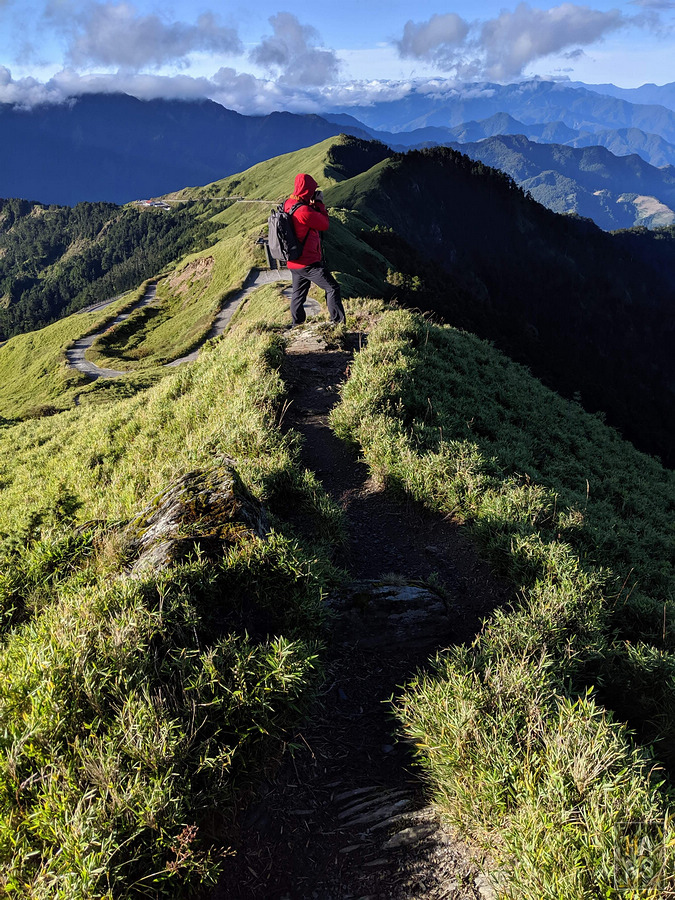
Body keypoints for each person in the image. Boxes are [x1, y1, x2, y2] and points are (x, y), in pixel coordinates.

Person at [284, 173, 346, 327]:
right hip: (308, 263)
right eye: (313, 189)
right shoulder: (304, 211)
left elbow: (303, 220)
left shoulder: (288, 204)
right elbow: (324, 224)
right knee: (332, 288)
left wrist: (311, 204)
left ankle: (296, 325)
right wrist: (319, 204)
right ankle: (337, 323)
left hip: (294, 261)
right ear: (308, 190)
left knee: (298, 295)